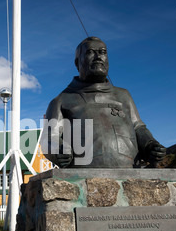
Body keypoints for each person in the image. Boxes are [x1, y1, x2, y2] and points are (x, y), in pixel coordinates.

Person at [42, 37, 166, 168]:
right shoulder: (61, 101)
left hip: (131, 175)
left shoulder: (124, 95)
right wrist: (58, 150)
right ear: (77, 62)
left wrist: (150, 145)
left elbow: (138, 127)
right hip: (85, 178)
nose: (98, 57)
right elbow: (49, 138)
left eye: (102, 52)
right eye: (90, 52)